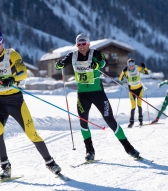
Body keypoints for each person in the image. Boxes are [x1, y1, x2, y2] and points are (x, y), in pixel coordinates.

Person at [0, 28, 61, 178]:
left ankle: (50, 163)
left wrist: (12, 79)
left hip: (16, 101)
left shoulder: (12, 54)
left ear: (1, 42)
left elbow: (23, 72)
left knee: (32, 133)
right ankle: (5, 166)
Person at [55, 33, 140, 161]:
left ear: (88, 43)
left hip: (98, 93)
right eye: (79, 44)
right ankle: (90, 151)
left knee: (110, 120)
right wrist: (59, 64)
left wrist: (97, 65)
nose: (82, 46)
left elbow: (103, 61)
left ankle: (129, 149)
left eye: (84, 44)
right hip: (82, 94)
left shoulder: (95, 53)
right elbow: (60, 64)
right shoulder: (72, 55)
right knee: (83, 122)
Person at [119, 58, 149, 128]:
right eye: (130, 64)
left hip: (139, 89)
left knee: (139, 104)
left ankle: (140, 121)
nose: (131, 66)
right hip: (132, 91)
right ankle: (131, 122)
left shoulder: (137, 68)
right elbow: (120, 79)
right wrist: (123, 72)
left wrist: (144, 67)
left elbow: (146, 72)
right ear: (127, 65)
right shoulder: (126, 71)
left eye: (132, 64)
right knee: (133, 106)